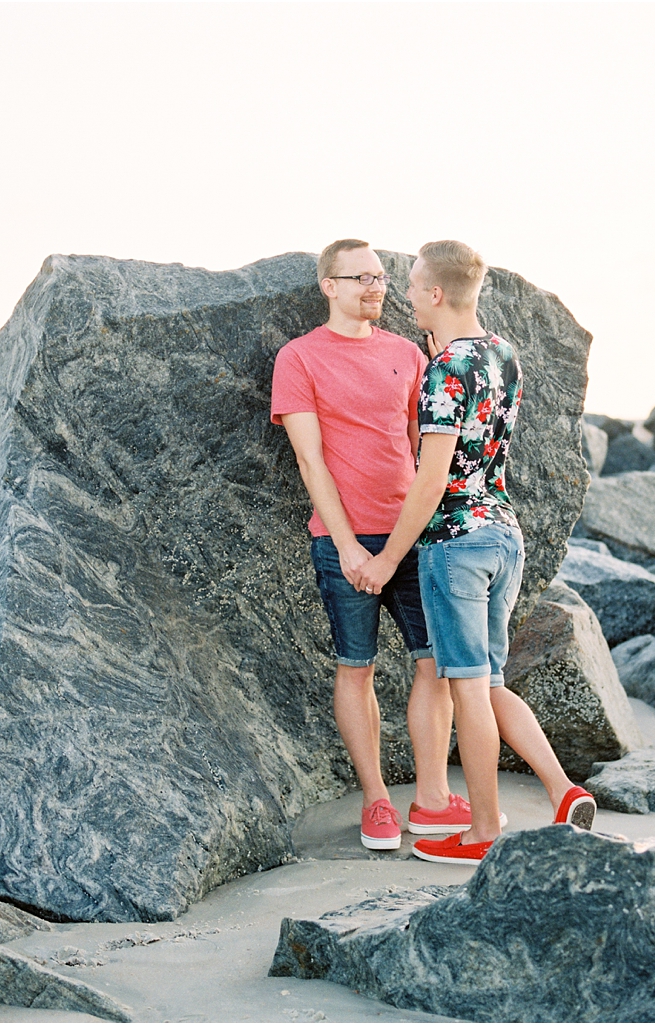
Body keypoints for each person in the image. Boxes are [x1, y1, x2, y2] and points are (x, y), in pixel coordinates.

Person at [355, 239, 596, 865]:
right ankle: (562, 789)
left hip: (455, 544)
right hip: (503, 535)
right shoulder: (502, 354)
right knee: (487, 683)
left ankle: (485, 831)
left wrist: (384, 562)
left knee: (465, 688)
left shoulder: (444, 370)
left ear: (435, 293)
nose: (405, 296)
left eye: (411, 286)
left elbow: (431, 479)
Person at [271, 239, 487, 850]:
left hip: (414, 534)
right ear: (328, 286)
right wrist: (347, 547)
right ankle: (376, 802)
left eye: (381, 276)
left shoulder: (408, 354)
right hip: (344, 538)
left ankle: (431, 798)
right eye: (360, 276)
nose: (376, 286)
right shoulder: (299, 358)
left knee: (435, 665)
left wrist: (412, 534)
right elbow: (310, 462)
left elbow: (426, 451)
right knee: (355, 666)